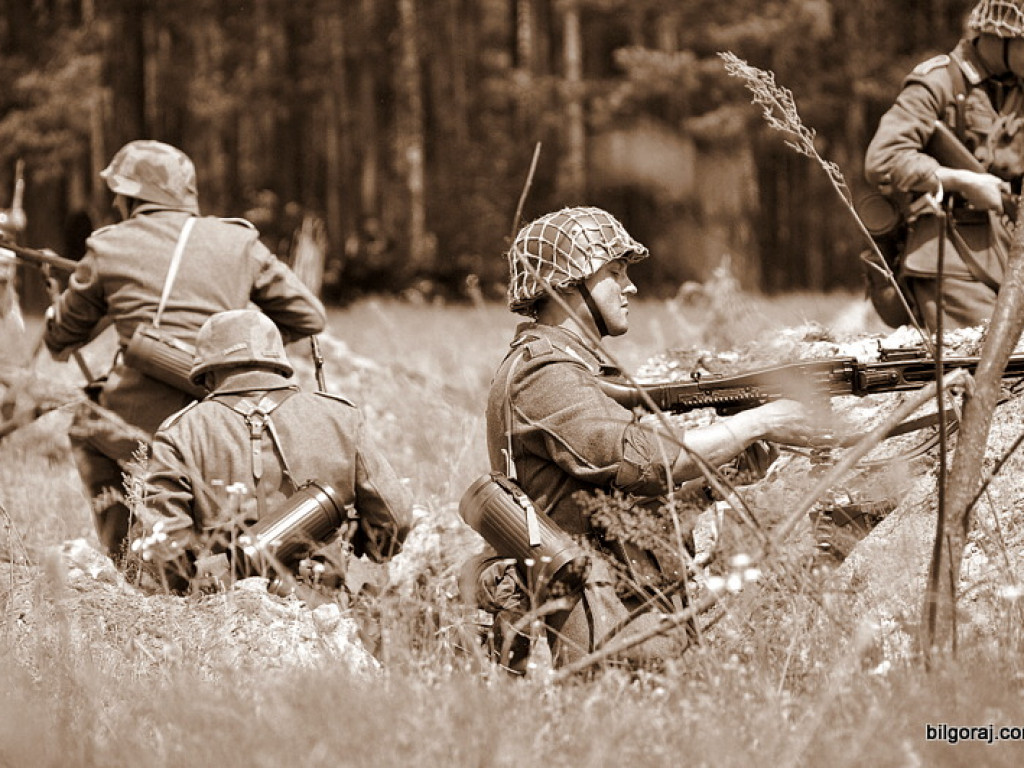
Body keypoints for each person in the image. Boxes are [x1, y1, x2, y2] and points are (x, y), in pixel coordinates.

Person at [459, 206, 822, 670]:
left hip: (630, 606)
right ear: (567, 284)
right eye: (615, 272)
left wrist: (718, 477)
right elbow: (642, 460)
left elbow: (615, 499)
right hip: (605, 619)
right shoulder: (543, 372)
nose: (631, 287)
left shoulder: (567, 368)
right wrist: (760, 420)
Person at [43, 140, 327, 565]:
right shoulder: (237, 240)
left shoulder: (108, 246)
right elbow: (308, 315)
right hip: (230, 413)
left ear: (131, 196)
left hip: (136, 418)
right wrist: (237, 347)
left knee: (86, 429)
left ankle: (126, 559)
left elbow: (60, 338)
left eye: (119, 193)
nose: (117, 202)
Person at [136, 309, 413, 594]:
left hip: (222, 613)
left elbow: (164, 551)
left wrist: (210, 575)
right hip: (323, 609)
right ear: (278, 364)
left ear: (206, 374)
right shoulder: (339, 416)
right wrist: (358, 544)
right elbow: (396, 519)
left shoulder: (180, 431)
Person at [864, 0, 1024, 331]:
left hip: (1011, 253)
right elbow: (883, 158)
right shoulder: (939, 82)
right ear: (1000, 36)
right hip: (952, 256)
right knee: (976, 362)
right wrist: (961, 181)